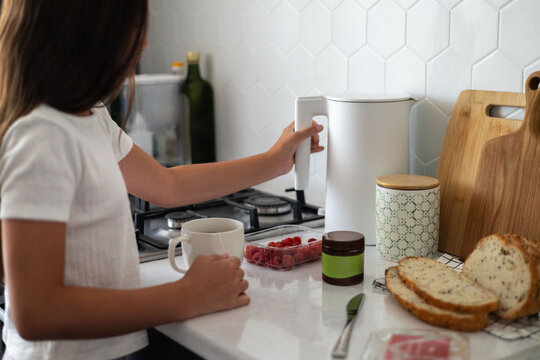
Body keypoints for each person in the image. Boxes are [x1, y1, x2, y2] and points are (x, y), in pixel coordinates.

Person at [0, 1, 324, 359]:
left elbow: (167, 185)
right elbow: (37, 312)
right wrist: (185, 296)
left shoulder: (89, 115)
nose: (144, 45)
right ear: (86, 30)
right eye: (134, 28)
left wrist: (272, 162)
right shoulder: (40, 135)